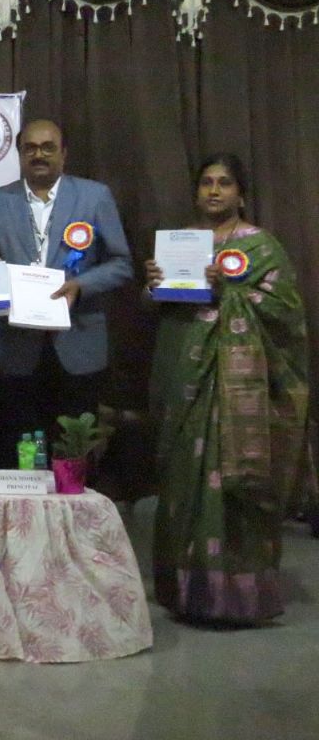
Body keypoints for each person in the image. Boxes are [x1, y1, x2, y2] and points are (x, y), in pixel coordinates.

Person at [146, 153, 310, 624]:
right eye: (206, 183)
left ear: (241, 194)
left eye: (224, 183)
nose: (214, 191)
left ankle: (238, 594)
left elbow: (285, 310)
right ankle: (187, 590)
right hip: (185, 376)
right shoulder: (181, 243)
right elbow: (165, 305)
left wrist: (229, 291)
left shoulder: (261, 247)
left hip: (237, 386)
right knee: (184, 476)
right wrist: (153, 285)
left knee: (233, 475)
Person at [0, 118, 132, 437]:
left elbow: (121, 263)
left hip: (79, 339)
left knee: (75, 443)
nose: (39, 155)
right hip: (19, 343)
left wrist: (80, 285)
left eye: (48, 148)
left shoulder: (95, 196)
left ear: (64, 153)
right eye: (30, 148)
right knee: (25, 440)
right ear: (20, 154)